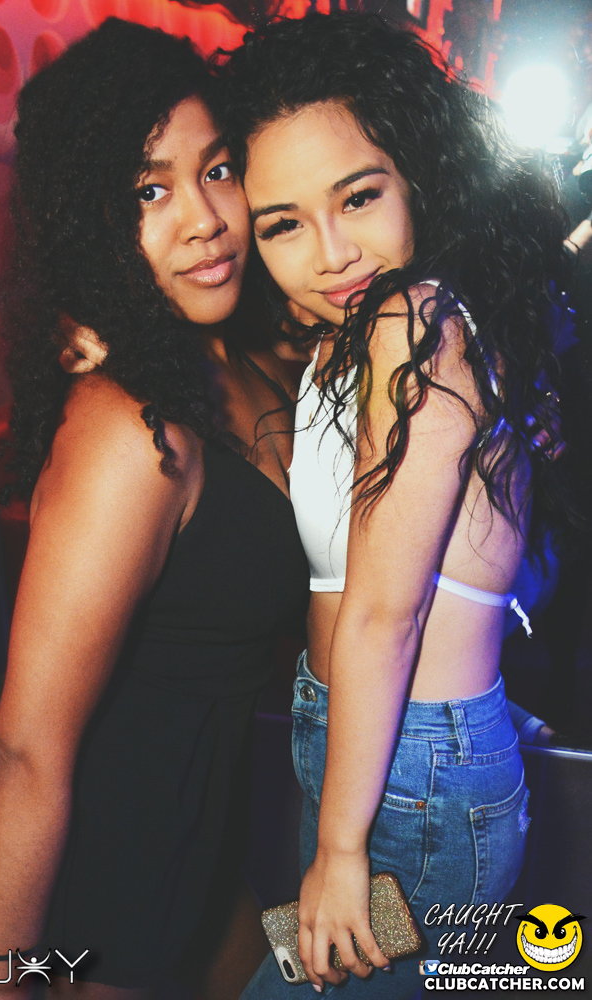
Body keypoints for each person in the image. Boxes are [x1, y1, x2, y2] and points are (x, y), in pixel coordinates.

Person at [0, 17, 309, 999]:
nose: (205, 218)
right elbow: (23, 754)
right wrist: (5, 985)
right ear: (93, 219)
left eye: (216, 169)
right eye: (150, 189)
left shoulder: (254, 359)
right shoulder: (127, 429)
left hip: (204, 841)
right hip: (94, 876)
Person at [218, 13, 571, 998]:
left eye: (358, 196)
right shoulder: (374, 330)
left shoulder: (412, 323)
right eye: (283, 223)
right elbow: (485, 555)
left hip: (402, 779)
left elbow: (386, 610)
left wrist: (340, 848)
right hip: (376, 751)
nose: (331, 251)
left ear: (415, 174)